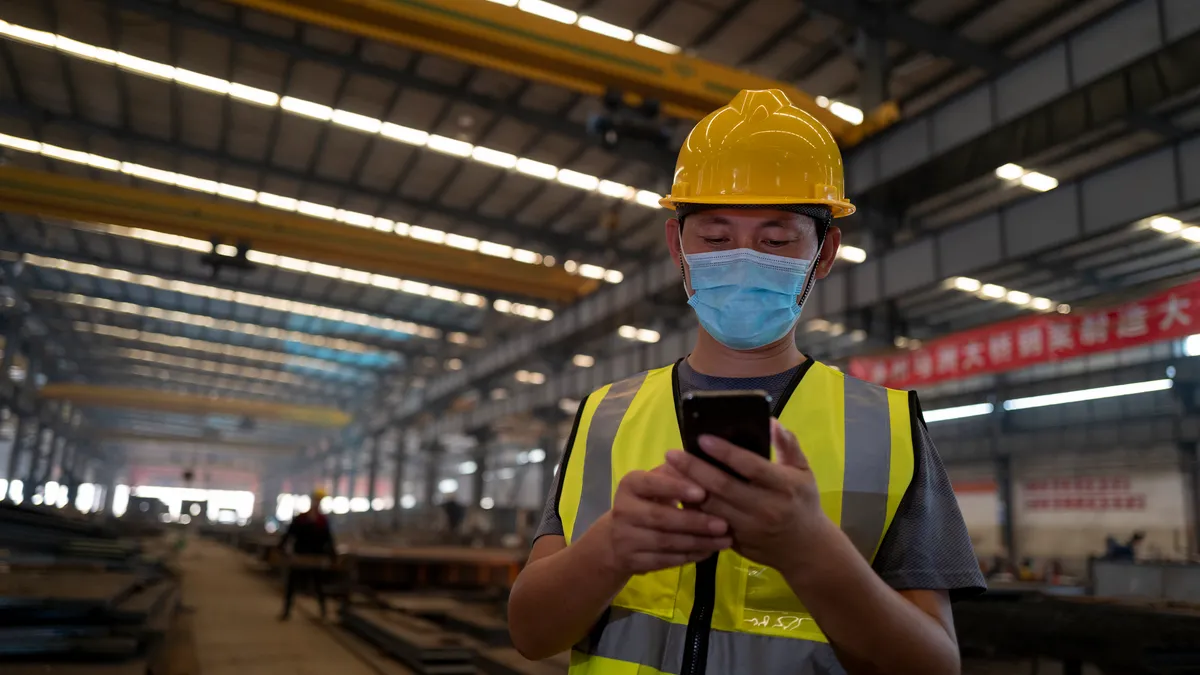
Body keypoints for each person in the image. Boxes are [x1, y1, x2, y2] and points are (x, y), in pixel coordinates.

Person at [507, 89, 986, 675]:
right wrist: (610, 549)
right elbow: (530, 633)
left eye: (776, 240)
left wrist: (811, 551)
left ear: (825, 252)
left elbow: (935, 666)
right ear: (676, 246)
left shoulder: (886, 431)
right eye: (714, 238)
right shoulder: (605, 415)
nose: (741, 259)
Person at [277, 488, 337, 620]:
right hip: (300, 556)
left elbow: (328, 538)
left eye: (319, 501)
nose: (318, 503)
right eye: (317, 500)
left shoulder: (322, 521)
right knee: (292, 585)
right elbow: (289, 534)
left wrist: (333, 554)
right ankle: (286, 611)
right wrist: (281, 547)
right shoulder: (301, 519)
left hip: (315, 557)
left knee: (319, 585)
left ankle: (323, 612)